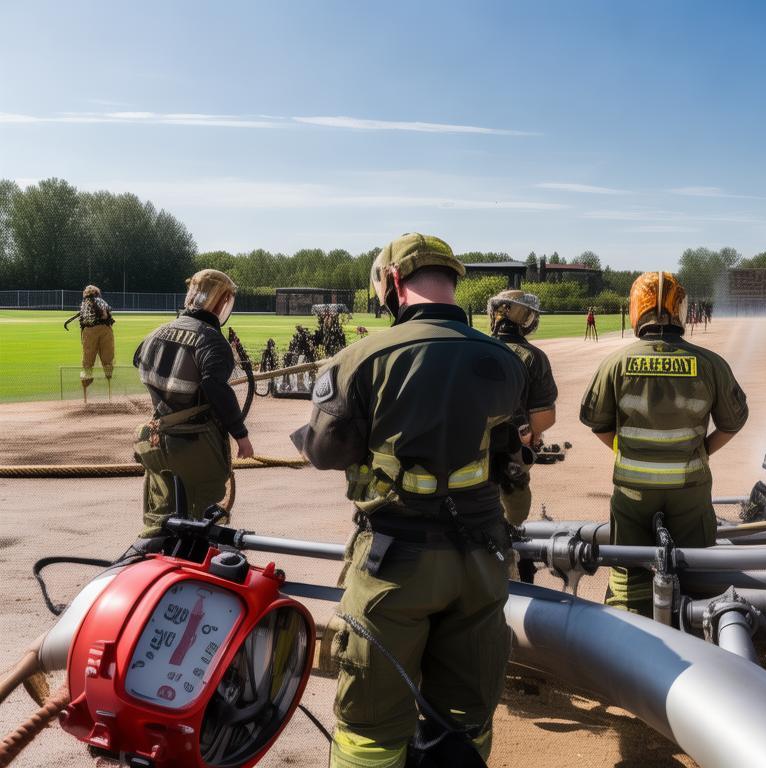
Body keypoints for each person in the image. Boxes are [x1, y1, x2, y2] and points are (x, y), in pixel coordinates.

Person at [291, 233, 526, 767]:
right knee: (466, 718)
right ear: (452, 281)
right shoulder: (505, 360)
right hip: (482, 560)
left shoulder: (360, 359)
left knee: (370, 725)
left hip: (395, 566)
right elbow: (510, 456)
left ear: (393, 281)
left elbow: (324, 453)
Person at [579, 272, 748, 617]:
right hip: (690, 490)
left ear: (635, 310)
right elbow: (732, 423)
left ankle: (631, 625)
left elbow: (597, 424)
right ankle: (698, 626)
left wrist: (627, 452)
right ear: (681, 310)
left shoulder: (615, 363)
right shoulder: (710, 363)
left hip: (633, 493)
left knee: (629, 574)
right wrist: (701, 452)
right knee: (697, 572)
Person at [132, 269, 253, 538]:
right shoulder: (212, 340)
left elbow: (138, 359)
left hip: (155, 440)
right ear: (221, 301)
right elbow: (215, 388)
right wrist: (241, 435)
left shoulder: (157, 333)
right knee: (198, 519)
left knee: (161, 518)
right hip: (195, 445)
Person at [486, 289, 557, 528]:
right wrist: (533, 437)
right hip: (512, 451)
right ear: (523, 317)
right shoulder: (534, 357)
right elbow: (544, 416)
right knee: (514, 516)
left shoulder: (474, 348)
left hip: (471, 450)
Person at [75, 285, 116, 401]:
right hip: (104, 330)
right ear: (97, 292)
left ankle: (86, 380)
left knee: (88, 359)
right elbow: (106, 315)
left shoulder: (83, 303)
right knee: (107, 357)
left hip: (89, 331)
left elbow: (82, 318)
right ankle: (108, 378)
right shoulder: (101, 301)